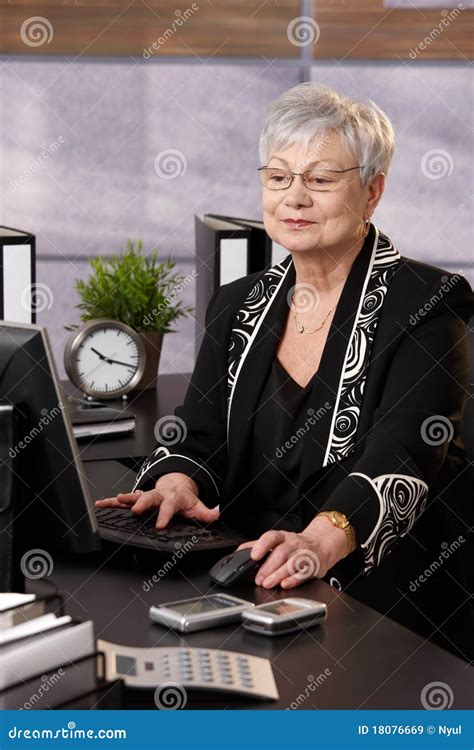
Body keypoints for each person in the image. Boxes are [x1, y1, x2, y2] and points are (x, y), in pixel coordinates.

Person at [96, 83, 474, 661]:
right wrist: (177, 483)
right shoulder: (237, 302)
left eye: (320, 180)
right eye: (277, 177)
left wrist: (316, 545)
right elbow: (198, 434)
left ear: (372, 192)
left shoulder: (428, 303)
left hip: (374, 597)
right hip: (244, 576)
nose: (293, 198)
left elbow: (404, 455)